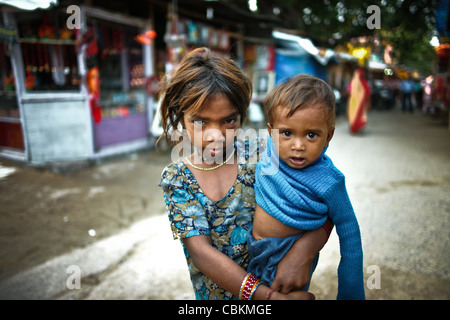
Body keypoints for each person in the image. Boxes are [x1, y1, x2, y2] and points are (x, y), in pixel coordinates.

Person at [158, 48, 331, 300]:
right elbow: (201, 254)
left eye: (229, 120)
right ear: (180, 116)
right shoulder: (177, 178)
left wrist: (302, 252)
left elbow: (327, 199)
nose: (215, 135)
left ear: (242, 114)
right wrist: (267, 298)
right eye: (200, 122)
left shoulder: (264, 151)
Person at [247, 74, 365, 300]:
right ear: (272, 132)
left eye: (311, 135)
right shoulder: (269, 153)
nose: (298, 146)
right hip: (253, 255)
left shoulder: (329, 181)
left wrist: (351, 292)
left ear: (328, 135)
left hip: (287, 262)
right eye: (287, 133)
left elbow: (350, 231)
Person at [347, 69, 370, 133]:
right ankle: (357, 128)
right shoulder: (364, 82)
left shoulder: (353, 81)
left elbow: (349, 90)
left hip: (354, 102)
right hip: (361, 102)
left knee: (353, 114)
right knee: (359, 115)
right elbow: (368, 92)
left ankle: (354, 127)